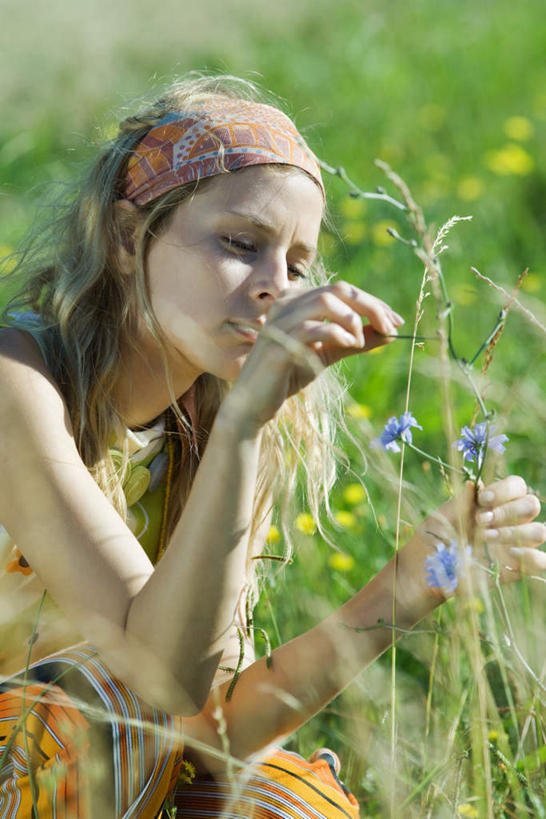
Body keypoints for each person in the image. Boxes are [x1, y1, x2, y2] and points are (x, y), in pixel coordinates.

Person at [0, 75, 544, 818]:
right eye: (241, 243)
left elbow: (208, 728)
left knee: (289, 799)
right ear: (129, 239)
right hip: (37, 754)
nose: (274, 287)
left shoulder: (223, 428)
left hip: (103, 768)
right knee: (96, 706)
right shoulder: (18, 382)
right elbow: (150, 683)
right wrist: (245, 422)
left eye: (295, 264)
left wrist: (410, 582)